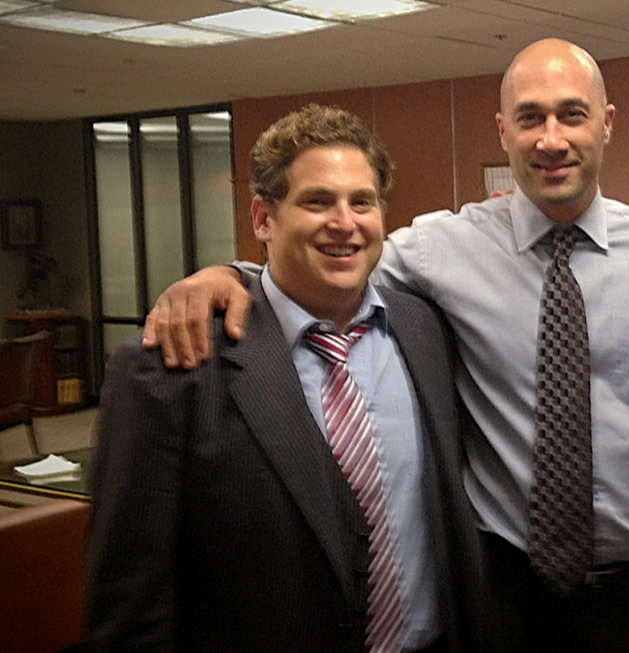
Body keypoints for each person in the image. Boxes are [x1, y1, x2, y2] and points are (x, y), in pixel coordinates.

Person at [140, 39, 629, 653]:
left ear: (606, 124)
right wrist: (231, 275)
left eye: (572, 114)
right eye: (529, 117)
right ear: (503, 131)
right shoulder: (438, 250)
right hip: (501, 590)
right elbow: (334, 260)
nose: (550, 139)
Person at [86, 104, 489, 653]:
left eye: (362, 202)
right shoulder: (173, 363)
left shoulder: (424, 328)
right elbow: (130, 593)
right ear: (261, 219)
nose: (344, 223)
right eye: (317, 201)